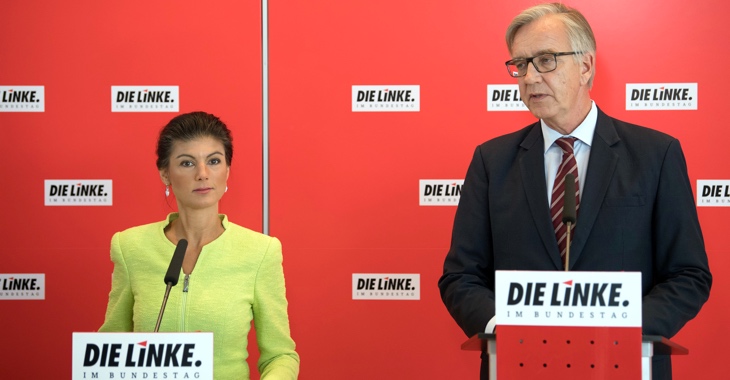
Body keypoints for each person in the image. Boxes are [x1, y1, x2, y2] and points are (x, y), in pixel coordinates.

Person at [437, 3, 711, 379]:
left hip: (626, 364)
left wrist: (626, 328)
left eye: (546, 60)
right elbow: (460, 276)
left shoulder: (655, 154)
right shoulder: (491, 160)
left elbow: (688, 274)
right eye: (520, 64)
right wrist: (504, 327)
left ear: (586, 66)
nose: (530, 77)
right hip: (519, 366)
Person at [99, 111, 300, 379]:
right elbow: (111, 346)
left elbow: (280, 355)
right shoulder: (129, 246)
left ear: (227, 170)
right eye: (187, 163)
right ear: (165, 174)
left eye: (214, 161)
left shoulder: (261, 251)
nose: (203, 174)